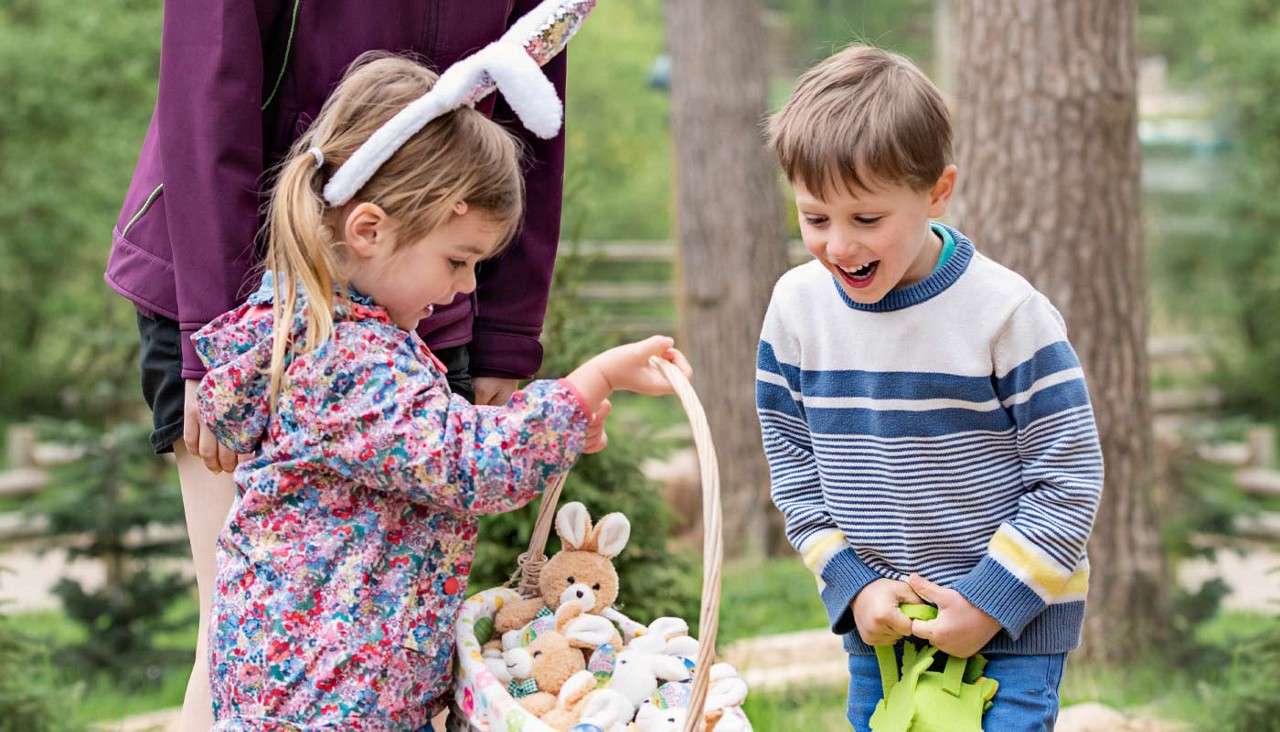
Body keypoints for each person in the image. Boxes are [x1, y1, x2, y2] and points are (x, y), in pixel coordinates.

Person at [103, 2, 574, 727]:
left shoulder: (439, 278)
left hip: (418, 289)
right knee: (239, 632)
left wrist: (507, 328)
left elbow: (530, 92)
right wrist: (219, 339)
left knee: (400, 640)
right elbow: (208, 89)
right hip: (225, 276)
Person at [191, 51, 689, 729]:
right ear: (370, 230)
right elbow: (468, 464)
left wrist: (559, 423)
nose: (466, 287)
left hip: (329, 693)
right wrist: (586, 384)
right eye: (457, 259)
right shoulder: (346, 357)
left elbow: (430, 440)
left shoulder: (343, 343)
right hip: (327, 703)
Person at [755, 45, 1103, 731]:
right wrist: (853, 587)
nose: (838, 247)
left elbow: (1068, 476)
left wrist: (989, 603)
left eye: (867, 220)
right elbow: (794, 472)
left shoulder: (1007, 315)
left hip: (1010, 626)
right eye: (816, 219)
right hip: (881, 627)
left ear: (937, 192)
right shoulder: (796, 309)